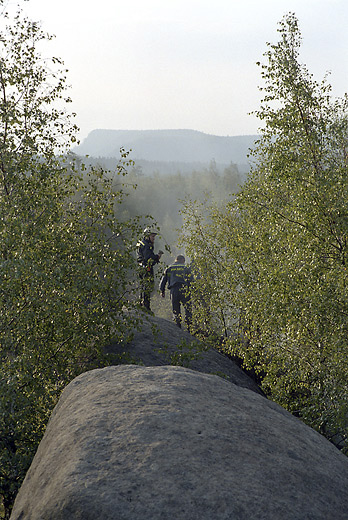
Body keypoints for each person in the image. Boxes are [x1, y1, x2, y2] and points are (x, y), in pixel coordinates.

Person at [159, 254, 192, 329]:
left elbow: (163, 280)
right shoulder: (185, 268)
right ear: (182, 260)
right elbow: (191, 280)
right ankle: (189, 327)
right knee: (188, 308)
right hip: (184, 290)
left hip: (174, 291)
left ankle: (178, 325)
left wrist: (162, 290)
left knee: (176, 309)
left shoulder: (170, 268)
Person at [137, 228, 163, 311]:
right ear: (147, 236)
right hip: (146, 267)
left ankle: (141, 302)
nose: (153, 239)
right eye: (152, 236)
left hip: (141, 267)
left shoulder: (142, 243)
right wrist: (157, 256)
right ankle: (146, 305)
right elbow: (149, 258)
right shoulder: (147, 246)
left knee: (143, 285)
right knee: (148, 285)